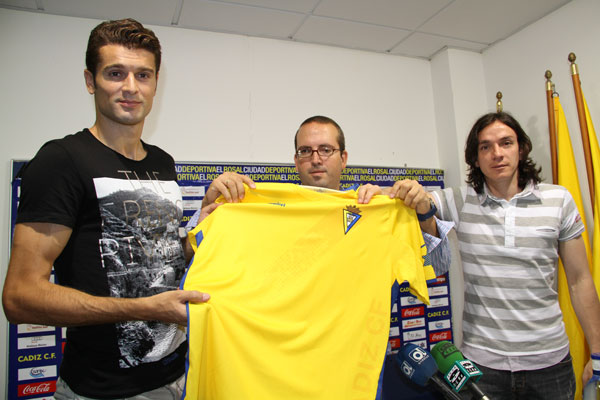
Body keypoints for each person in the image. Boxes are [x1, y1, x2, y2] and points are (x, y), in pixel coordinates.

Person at [2, 18, 212, 399]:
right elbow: (19, 297)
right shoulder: (61, 160)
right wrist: (142, 308)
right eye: (116, 73)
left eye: (143, 75)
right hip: (99, 389)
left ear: (155, 84)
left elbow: (161, 261)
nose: (131, 87)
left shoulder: (163, 163)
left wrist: (204, 228)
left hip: (174, 378)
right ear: (90, 80)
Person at [189, 115, 454, 398]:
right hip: (274, 372)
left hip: (350, 378)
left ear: (343, 158)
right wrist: (210, 206)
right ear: (296, 160)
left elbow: (438, 265)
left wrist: (422, 214)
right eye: (306, 151)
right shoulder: (266, 211)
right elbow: (199, 261)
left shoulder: (373, 208)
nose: (315, 158)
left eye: (325, 149)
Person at [388, 111, 600, 399]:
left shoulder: (559, 200)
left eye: (506, 143)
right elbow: (411, 200)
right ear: (475, 158)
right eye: (485, 147)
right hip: (480, 367)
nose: (497, 153)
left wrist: (598, 355)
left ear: (522, 148)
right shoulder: (459, 199)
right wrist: (397, 190)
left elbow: (580, 281)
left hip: (550, 364)